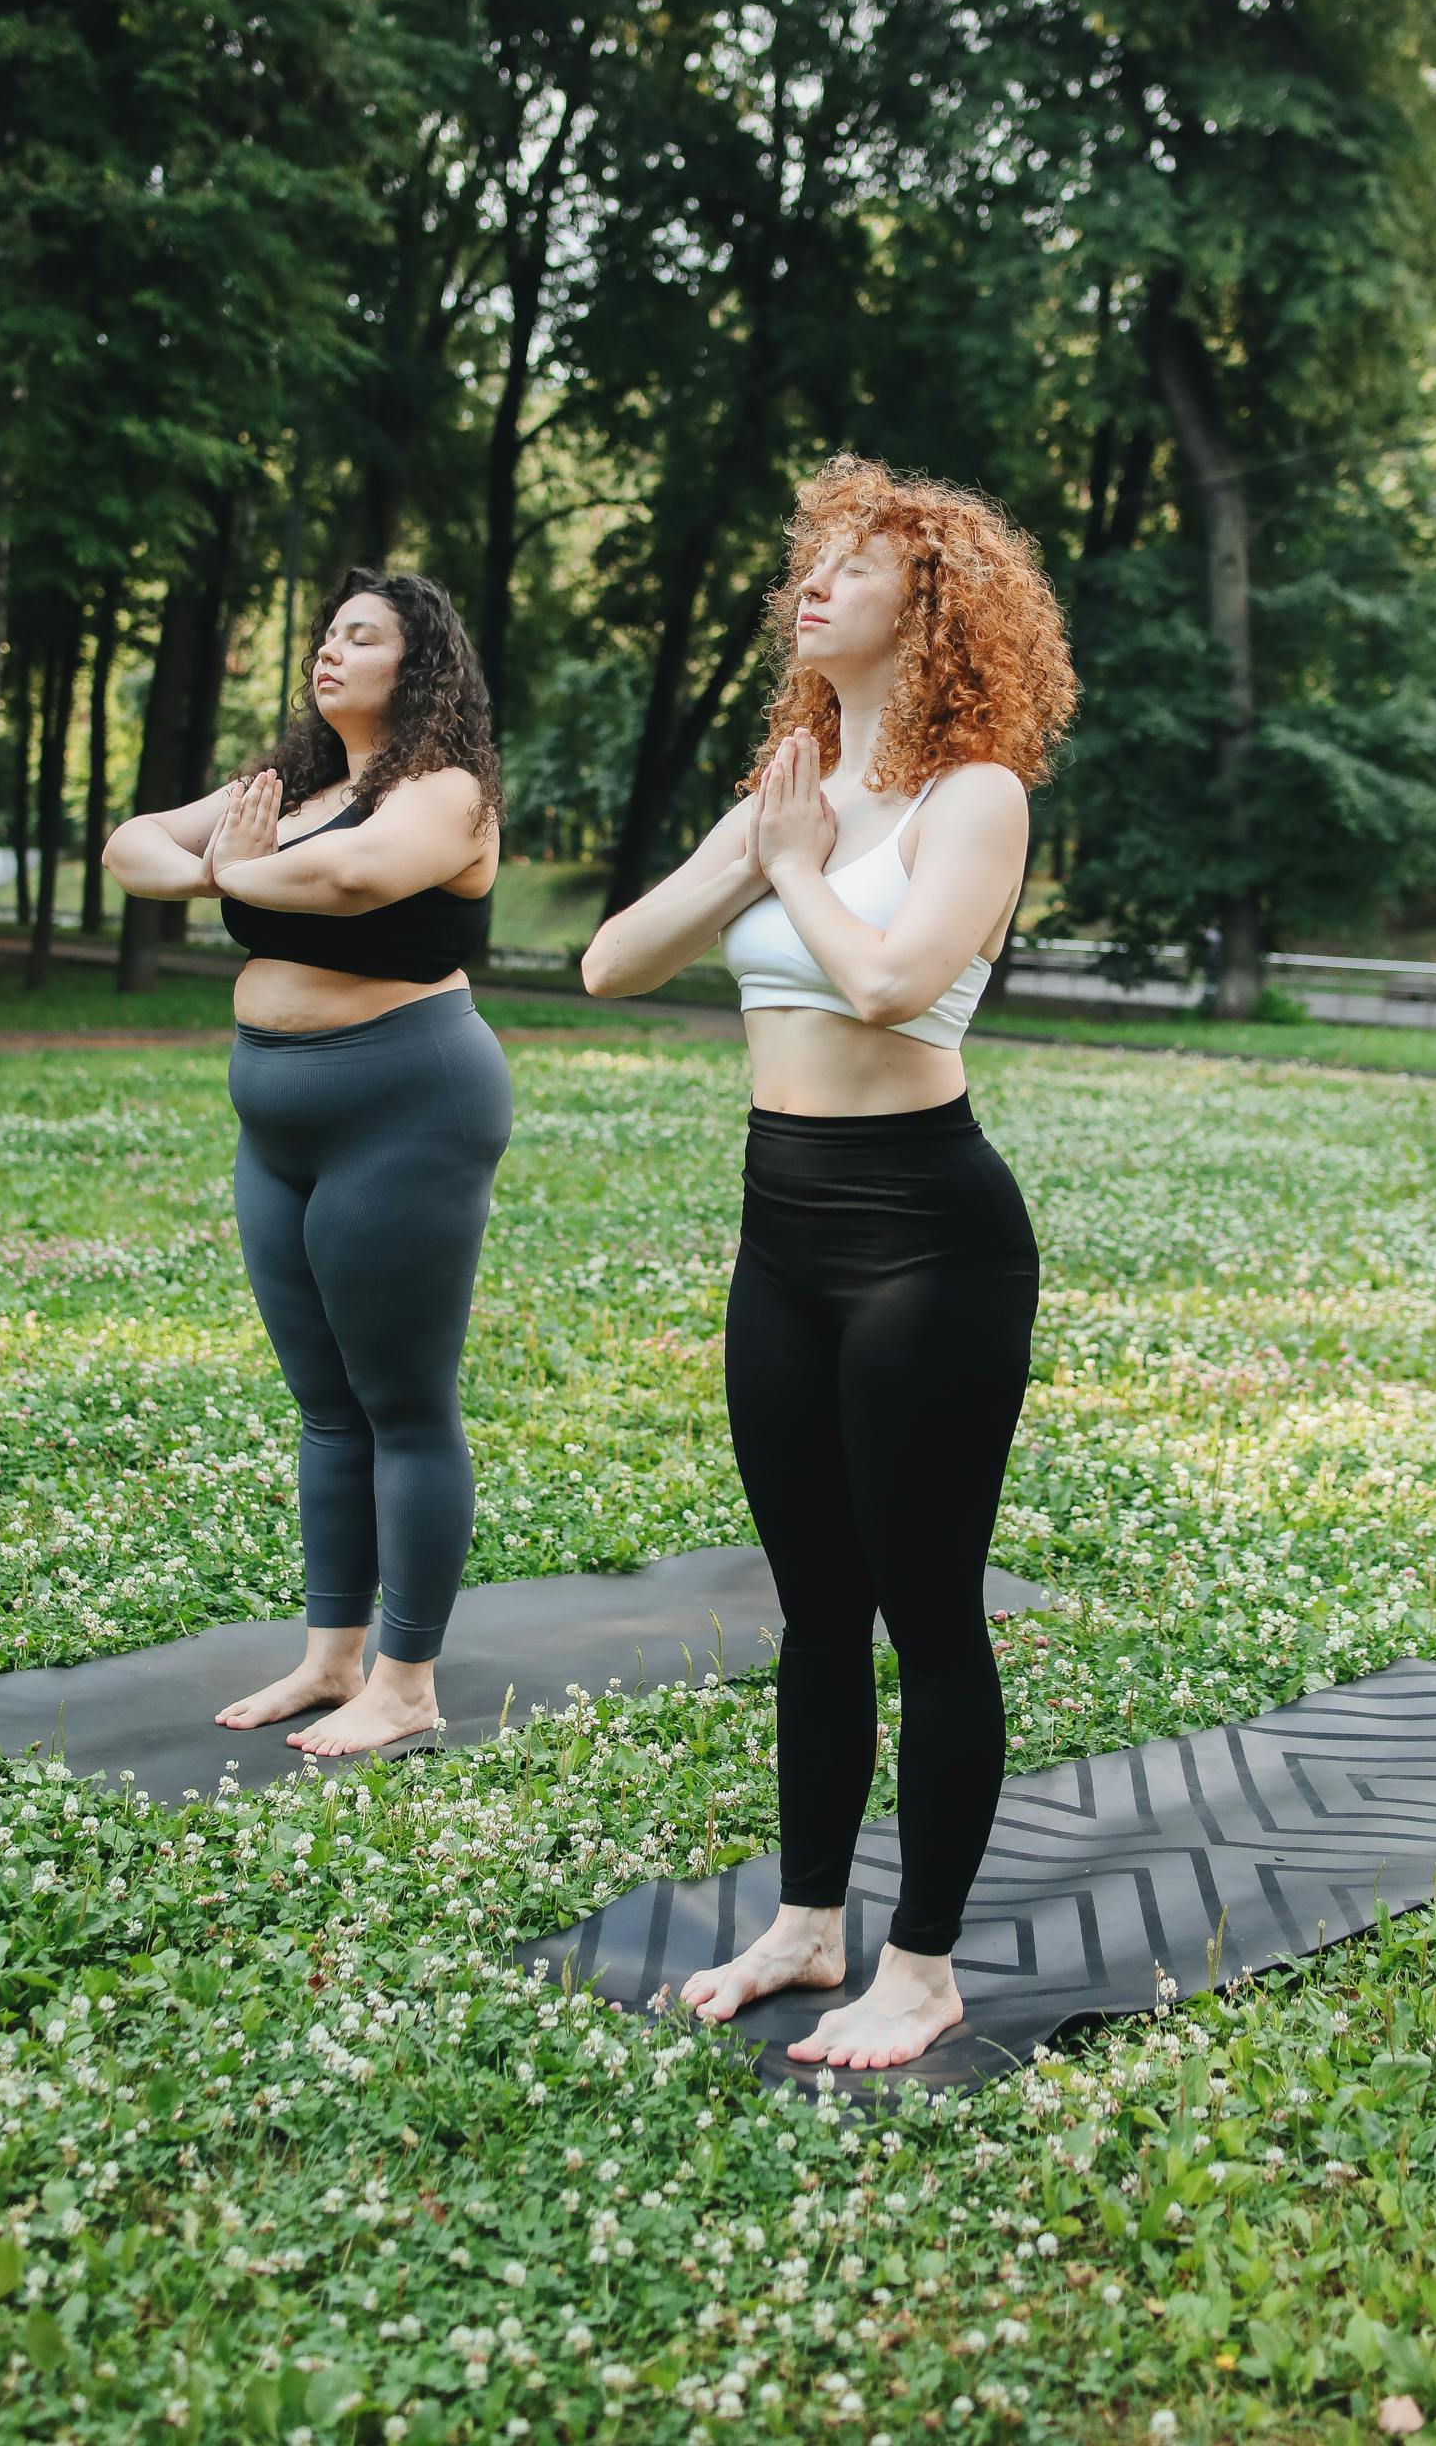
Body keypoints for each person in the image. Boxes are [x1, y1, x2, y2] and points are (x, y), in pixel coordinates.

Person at [581, 455, 1076, 2071]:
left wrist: (790, 866)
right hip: (780, 1231)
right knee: (812, 1610)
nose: (815, 582)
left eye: (857, 566)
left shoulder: (975, 797)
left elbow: (889, 983)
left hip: (928, 1239)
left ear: (930, 608)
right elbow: (607, 964)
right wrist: (757, 848)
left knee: (929, 1612)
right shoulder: (789, 792)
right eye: (814, 559)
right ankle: (805, 1925)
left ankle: (919, 1965)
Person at [102, 569, 513, 1760]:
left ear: (419, 665)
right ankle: (333, 1657)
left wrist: (226, 868)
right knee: (328, 1410)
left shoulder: (446, 793)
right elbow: (132, 845)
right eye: (327, 634)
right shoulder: (291, 789)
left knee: (403, 1405)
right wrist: (215, 861)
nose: (329, 651)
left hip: (405, 1103)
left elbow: (348, 879)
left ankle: (407, 1677)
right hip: (275, 1122)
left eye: (362, 636)